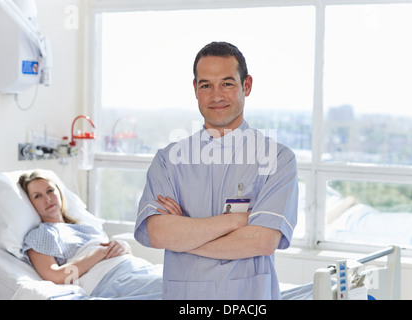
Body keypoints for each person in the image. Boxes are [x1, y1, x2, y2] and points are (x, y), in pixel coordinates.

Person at [134, 42, 299, 300]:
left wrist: (184, 237)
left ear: (247, 86)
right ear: (195, 89)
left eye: (227, 83)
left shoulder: (277, 158)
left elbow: (263, 242)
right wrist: (236, 221)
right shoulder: (168, 160)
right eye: (206, 85)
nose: (216, 96)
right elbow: (158, 234)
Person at [19, 170, 162, 299]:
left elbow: (111, 251)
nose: (48, 199)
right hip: (109, 279)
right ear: (30, 203)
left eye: (50, 190)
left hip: (134, 267)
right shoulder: (42, 234)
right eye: (37, 196)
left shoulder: (84, 226)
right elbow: (56, 276)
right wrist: (99, 254)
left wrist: (123, 246)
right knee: (172, 289)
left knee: (178, 279)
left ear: (59, 192)